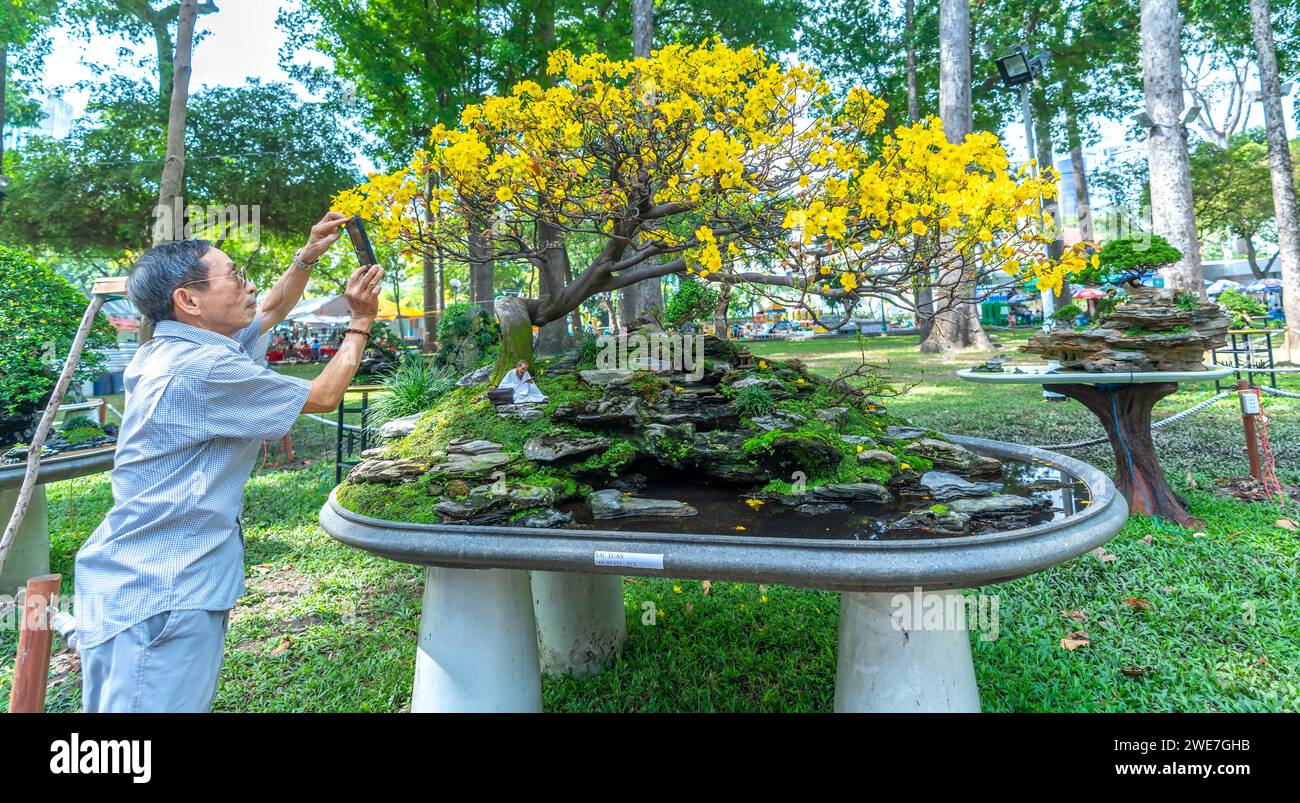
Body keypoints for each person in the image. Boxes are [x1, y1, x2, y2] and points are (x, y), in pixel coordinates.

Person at [74, 211, 386, 713]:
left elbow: (270, 309)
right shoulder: (204, 367)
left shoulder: (169, 347)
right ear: (189, 300)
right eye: (235, 276)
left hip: (139, 578)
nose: (248, 285)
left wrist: (308, 255)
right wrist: (361, 321)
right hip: (164, 592)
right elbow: (325, 396)